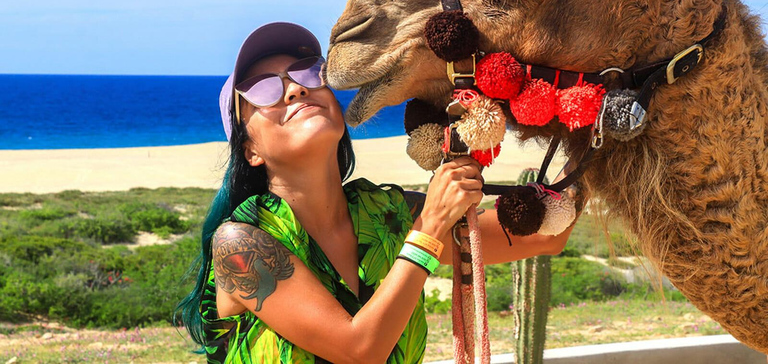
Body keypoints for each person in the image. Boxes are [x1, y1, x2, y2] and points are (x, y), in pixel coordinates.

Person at [177, 22, 577, 364]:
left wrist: (593, 127)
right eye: (262, 90)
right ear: (250, 150)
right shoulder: (241, 244)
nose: (295, 90)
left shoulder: (387, 213)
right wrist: (431, 227)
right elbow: (358, 351)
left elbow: (547, 235)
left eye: (307, 73)